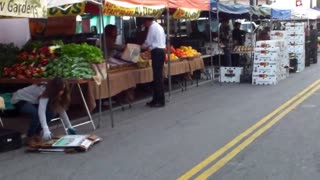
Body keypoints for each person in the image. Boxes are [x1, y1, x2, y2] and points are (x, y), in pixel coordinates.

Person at [11, 77, 76, 144]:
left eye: (63, 90)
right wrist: (46, 130)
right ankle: (30, 136)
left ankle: (36, 134)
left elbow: (61, 109)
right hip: (19, 99)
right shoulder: (45, 91)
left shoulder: (56, 93)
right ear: (54, 88)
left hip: (34, 101)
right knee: (35, 114)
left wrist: (69, 126)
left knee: (52, 112)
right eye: (59, 90)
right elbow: (41, 111)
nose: (61, 92)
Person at [142, 17, 166, 108]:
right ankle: (156, 99)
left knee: (157, 77)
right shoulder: (159, 27)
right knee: (157, 76)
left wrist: (140, 47)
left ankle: (160, 100)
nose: (145, 25)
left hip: (156, 52)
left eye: (145, 23)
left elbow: (148, 42)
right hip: (160, 51)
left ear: (147, 21)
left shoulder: (152, 27)